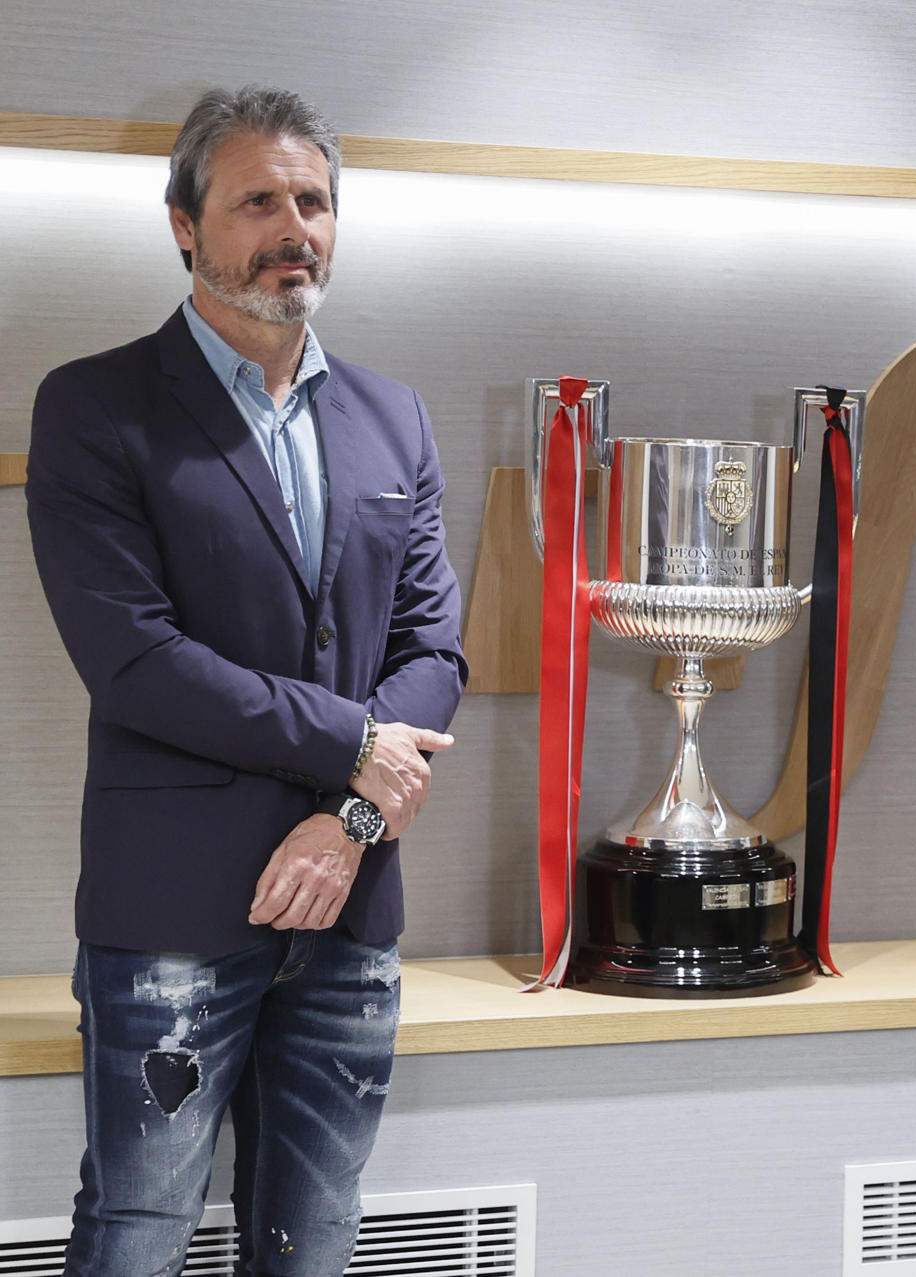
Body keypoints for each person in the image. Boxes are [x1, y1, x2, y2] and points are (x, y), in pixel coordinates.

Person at [25, 85, 467, 1276]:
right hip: (172, 913)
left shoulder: (394, 418)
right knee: (136, 1236)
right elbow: (134, 658)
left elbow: (435, 653)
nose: (294, 226)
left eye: (314, 200)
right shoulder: (94, 407)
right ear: (184, 223)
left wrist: (354, 816)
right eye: (257, 199)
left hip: (353, 903)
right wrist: (353, 746)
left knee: (313, 1243)